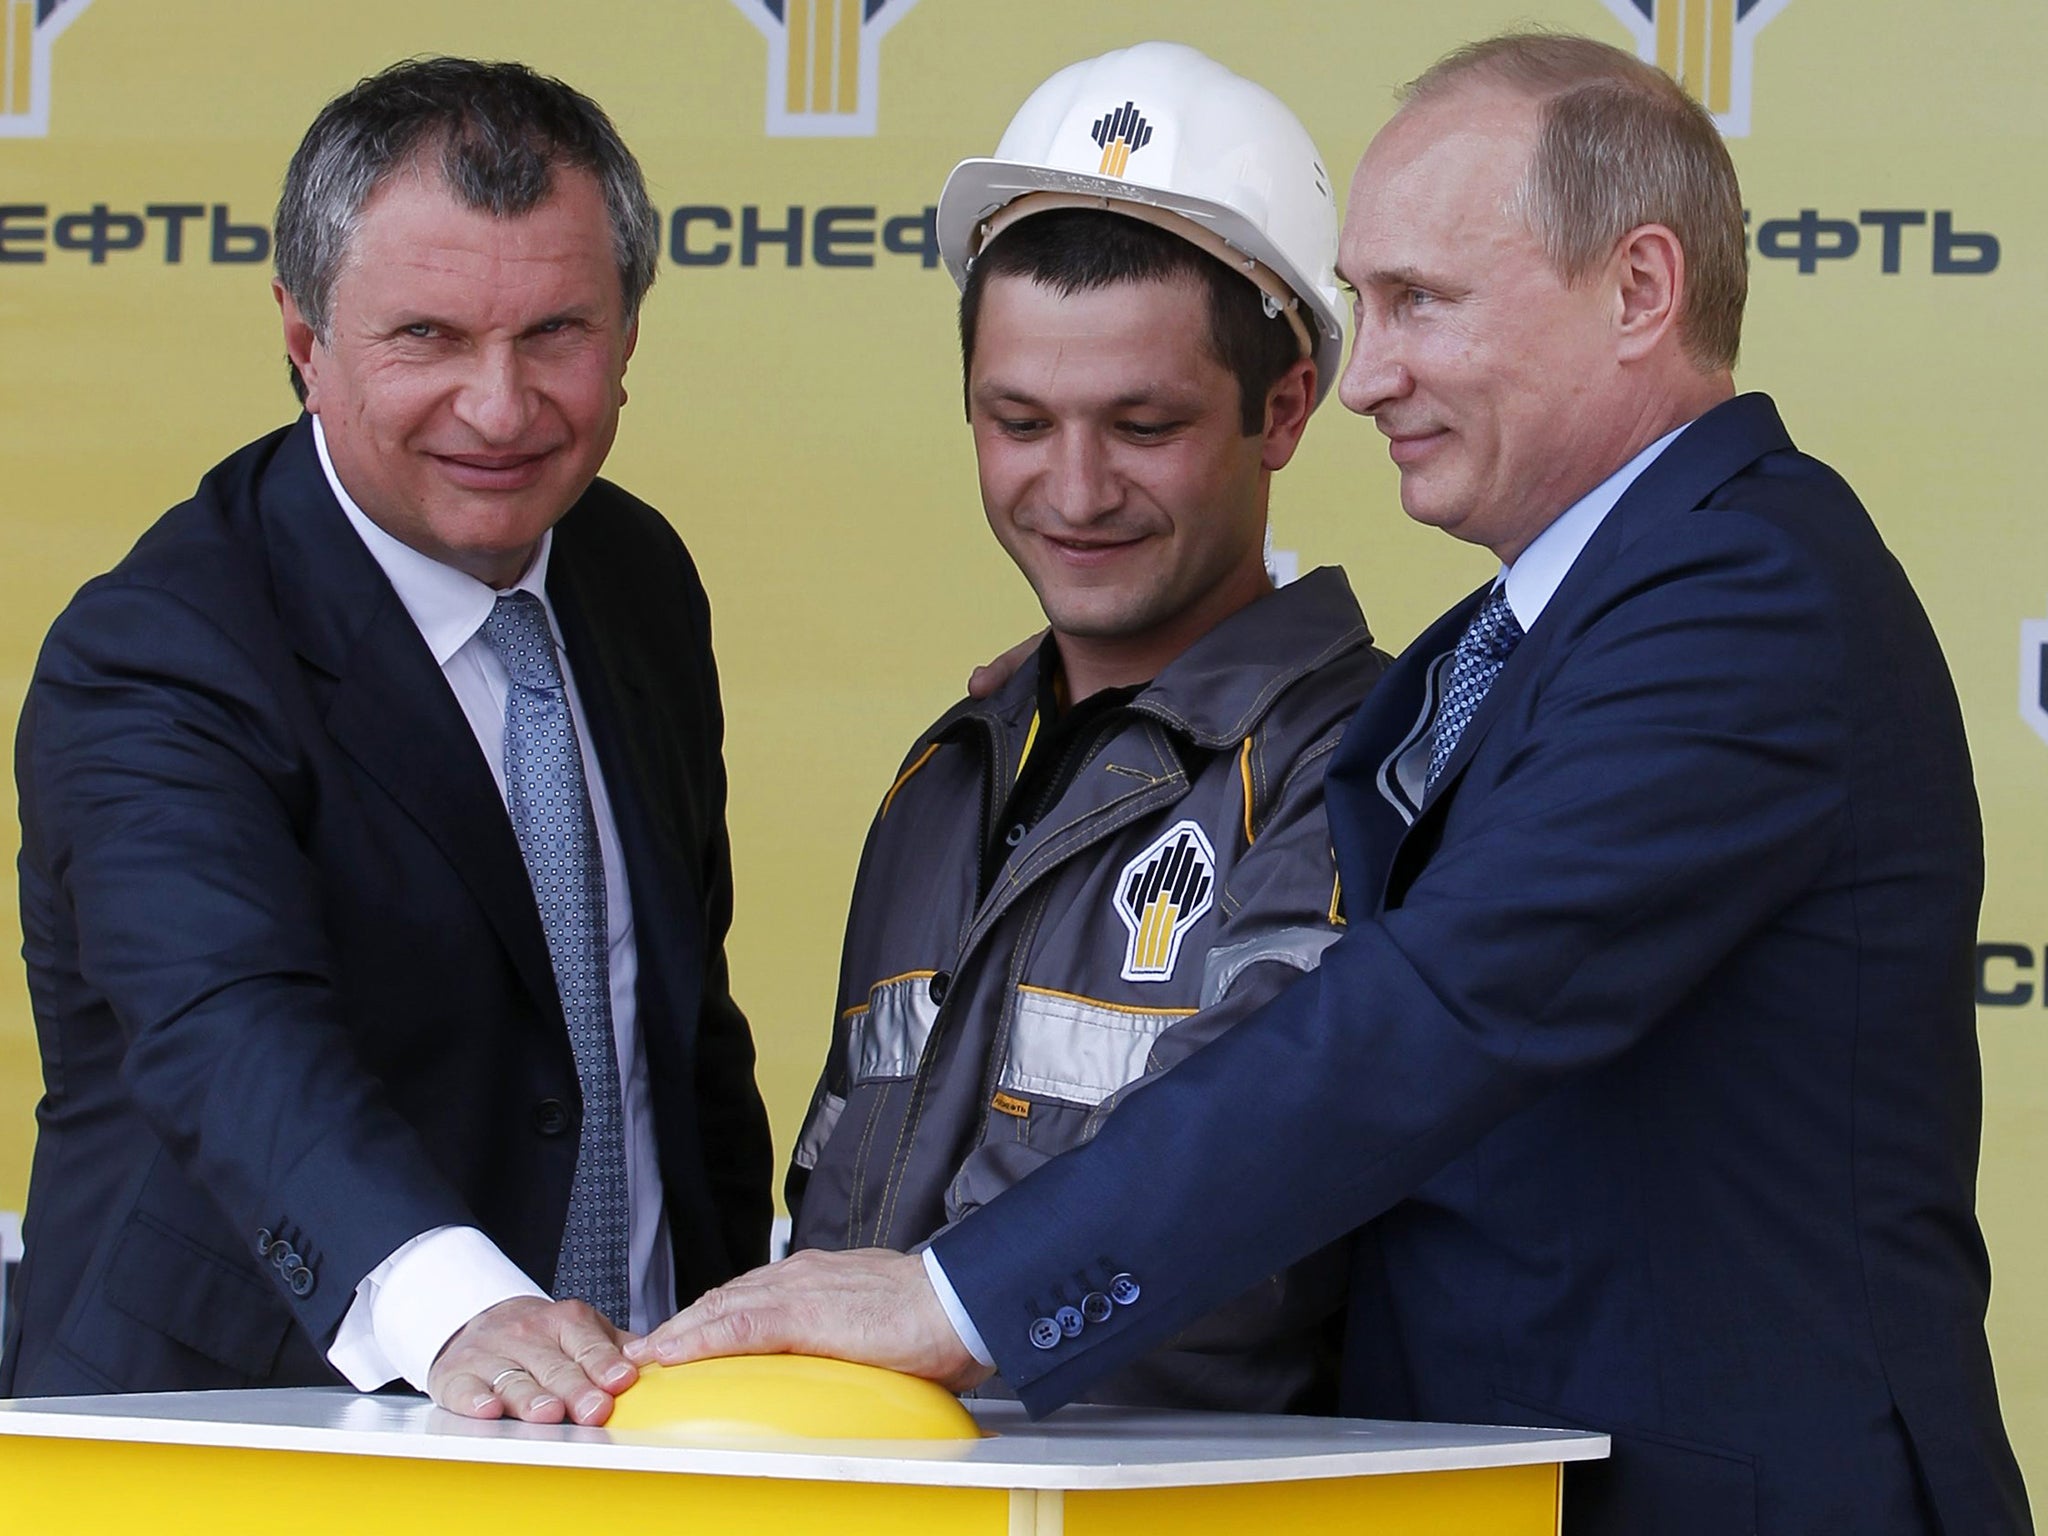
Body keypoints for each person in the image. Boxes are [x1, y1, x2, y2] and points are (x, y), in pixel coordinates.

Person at [637, 32, 2033, 1534]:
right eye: (1365, 306)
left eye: (1422, 303)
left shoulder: (1744, 593)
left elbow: (1430, 1010)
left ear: (1639, 290)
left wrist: (959, 1298)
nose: (1369, 379)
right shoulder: (1515, 633)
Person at [2, 58, 772, 1427]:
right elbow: (226, 1032)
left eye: (556, 333)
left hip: (645, 1437)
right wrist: (459, 1303)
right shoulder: (157, 651)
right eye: (426, 337)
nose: (500, 404)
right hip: (245, 1441)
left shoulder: (635, 574)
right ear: (301, 335)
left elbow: (673, 1037)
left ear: (631, 334)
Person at [784, 42, 1387, 1412]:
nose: (1073, 488)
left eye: (1142, 423)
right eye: (1017, 419)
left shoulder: (1359, 765)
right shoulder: (948, 770)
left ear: (1282, 407)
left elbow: (1263, 1222)